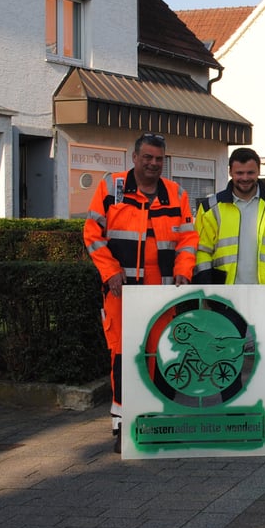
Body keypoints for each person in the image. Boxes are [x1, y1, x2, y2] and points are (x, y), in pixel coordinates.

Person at [83, 133, 198, 452]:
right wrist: (110, 271)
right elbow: (92, 233)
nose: (153, 163)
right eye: (147, 157)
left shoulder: (176, 193)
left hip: (162, 291)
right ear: (134, 157)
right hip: (122, 291)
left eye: (159, 158)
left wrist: (184, 269)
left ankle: (159, 420)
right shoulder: (112, 187)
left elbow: (188, 238)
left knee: (162, 353)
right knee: (124, 355)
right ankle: (124, 425)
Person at [193, 147, 265, 451]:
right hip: (226, 300)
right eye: (239, 173)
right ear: (230, 171)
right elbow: (201, 249)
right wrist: (208, 289)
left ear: (258, 171)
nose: (244, 178)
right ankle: (234, 424)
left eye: (250, 173)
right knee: (227, 362)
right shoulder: (211, 206)